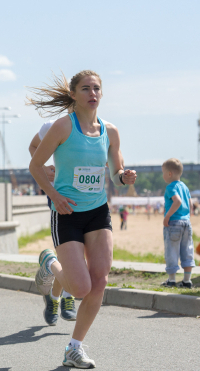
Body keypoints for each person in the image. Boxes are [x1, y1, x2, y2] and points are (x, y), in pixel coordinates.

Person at [28, 70, 137, 369]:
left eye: (97, 89)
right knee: (80, 288)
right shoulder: (63, 126)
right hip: (67, 213)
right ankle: (49, 262)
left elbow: (115, 174)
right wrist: (53, 194)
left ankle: (74, 347)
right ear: (74, 94)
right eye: (86, 88)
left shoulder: (110, 131)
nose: (93, 93)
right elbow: (35, 164)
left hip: (97, 211)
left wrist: (124, 177)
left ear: (102, 94)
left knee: (99, 281)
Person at [28, 116, 78, 326]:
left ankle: (56, 297)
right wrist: (45, 167)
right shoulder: (53, 125)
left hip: (87, 197)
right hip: (60, 192)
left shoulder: (97, 128)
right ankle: (66, 296)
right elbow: (33, 146)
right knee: (71, 255)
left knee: (77, 254)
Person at [160, 158, 194, 288]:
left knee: (172, 251)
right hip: (186, 222)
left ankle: (172, 280)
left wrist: (167, 216)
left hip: (174, 223)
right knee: (187, 250)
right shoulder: (185, 187)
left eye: (163, 172)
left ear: (169, 174)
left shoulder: (170, 187)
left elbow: (177, 201)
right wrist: (187, 217)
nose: (163, 175)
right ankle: (186, 281)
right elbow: (190, 203)